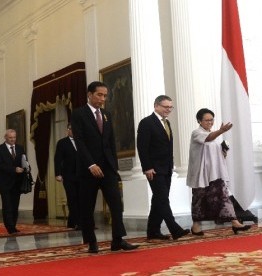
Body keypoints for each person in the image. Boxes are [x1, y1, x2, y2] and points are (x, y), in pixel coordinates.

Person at [71, 81, 138, 253]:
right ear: (89, 94)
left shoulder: (107, 114)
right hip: (88, 169)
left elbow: (110, 142)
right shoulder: (79, 114)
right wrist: (90, 164)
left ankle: (118, 240)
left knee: (116, 204)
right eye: (99, 95)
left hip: (108, 168)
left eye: (105, 95)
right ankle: (92, 243)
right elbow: (80, 142)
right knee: (87, 207)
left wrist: (114, 167)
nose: (102, 99)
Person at [186, 108, 251, 235]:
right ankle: (196, 226)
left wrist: (223, 152)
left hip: (215, 173)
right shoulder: (197, 133)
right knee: (199, 198)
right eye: (207, 120)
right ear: (199, 121)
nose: (210, 122)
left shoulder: (214, 135)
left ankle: (235, 223)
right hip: (201, 173)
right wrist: (221, 131)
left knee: (223, 196)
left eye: (212, 120)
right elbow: (208, 138)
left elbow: (216, 153)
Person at [137, 95, 190, 240]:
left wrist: (170, 166)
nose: (169, 110)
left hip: (166, 168)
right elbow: (142, 147)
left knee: (159, 199)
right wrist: (147, 167)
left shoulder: (167, 123)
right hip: (153, 168)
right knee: (162, 199)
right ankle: (175, 229)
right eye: (166, 107)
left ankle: (153, 231)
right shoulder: (146, 123)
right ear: (156, 106)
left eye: (170, 107)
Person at [0, 129, 25, 234]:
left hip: (17, 182)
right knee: (7, 205)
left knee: (15, 205)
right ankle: (10, 228)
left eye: (14, 137)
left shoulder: (20, 148)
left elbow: (24, 161)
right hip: (4, 182)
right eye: (10, 138)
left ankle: (13, 226)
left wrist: (26, 167)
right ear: (5, 137)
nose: (13, 140)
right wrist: (14, 169)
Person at [54, 123, 80, 230]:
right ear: (67, 130)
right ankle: (78, 222)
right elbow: (57, 159)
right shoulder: (62, 143)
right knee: (72, 198)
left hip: (81, 175)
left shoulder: (81, 141)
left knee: (81, 198)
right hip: (68, 175)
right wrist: (58, 174)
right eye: (71, 129)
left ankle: (71, 222)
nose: (73, 131)